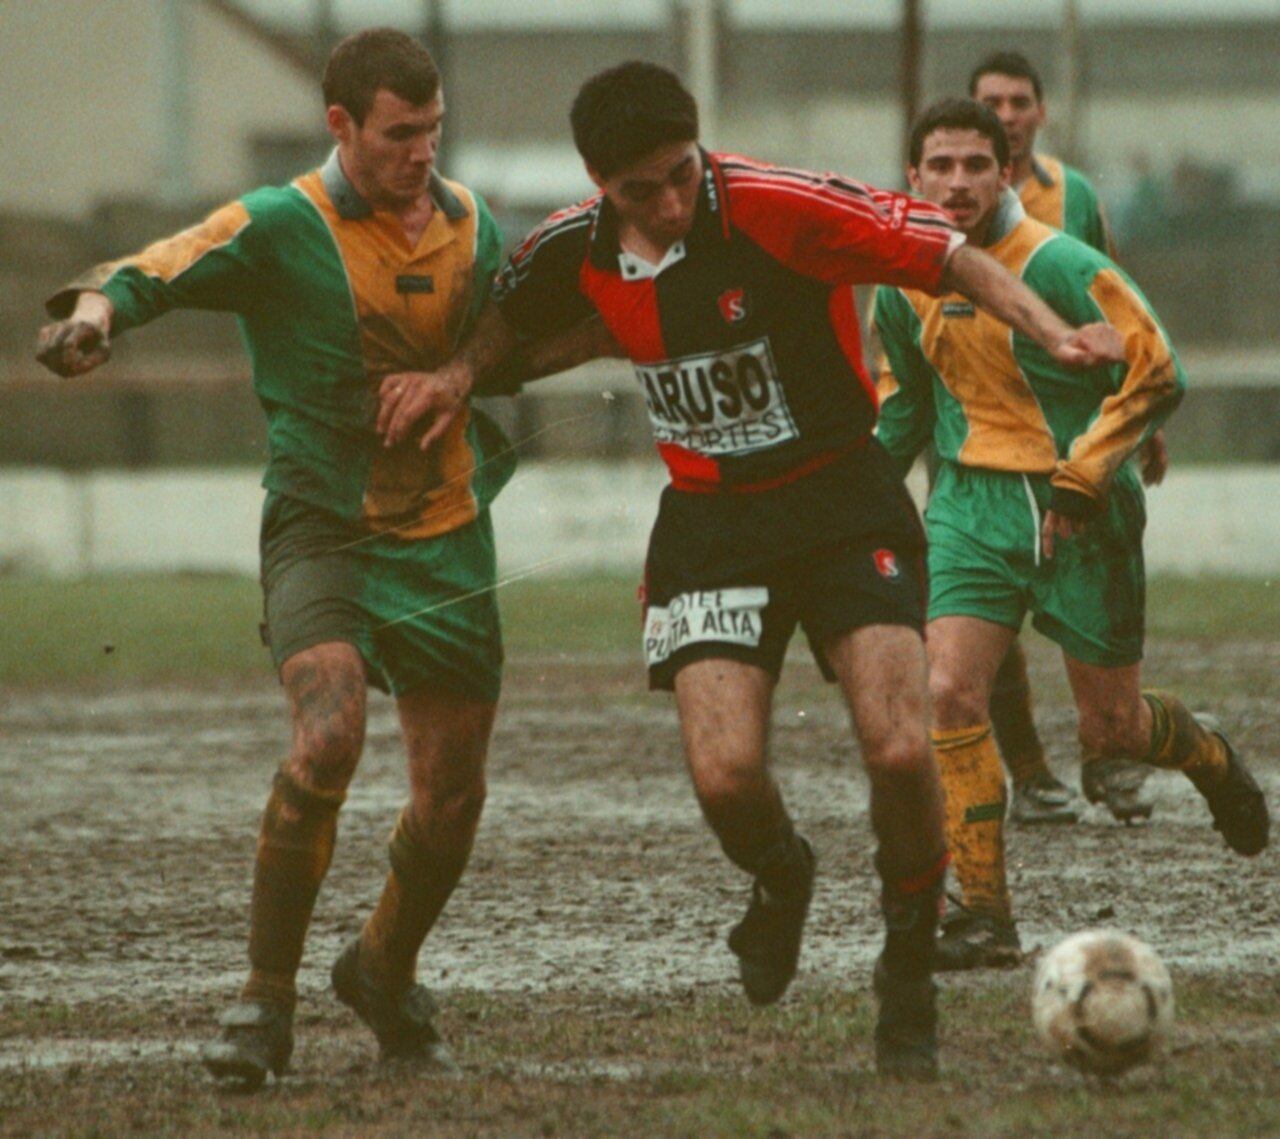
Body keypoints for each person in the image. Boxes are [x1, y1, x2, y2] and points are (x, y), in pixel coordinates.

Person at [381, 61, 1127, 1079]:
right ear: (600, 184)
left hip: (836, 501)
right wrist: (457, 374)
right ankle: (781, 877)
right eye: (642, 189)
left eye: (681, 173)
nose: (670, 202)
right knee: (726, 775)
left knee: (900, 750)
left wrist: (1053, 331)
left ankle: (905, 965)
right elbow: (510, 316)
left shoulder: (775, 204)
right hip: (707, 525)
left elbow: (949, 254)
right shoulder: (573, 242)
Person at [34, 28, 604, 1091]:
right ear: (339, 124)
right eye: (398, 134)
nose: (419, 153)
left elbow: (529, 325)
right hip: (320, 526)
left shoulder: (474, 224)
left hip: (444, 534)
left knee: (450, 798)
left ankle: (382, 971)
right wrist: (97, 314)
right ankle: (263, 995)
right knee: (328, 730)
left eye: (431, 132)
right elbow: (152, 267)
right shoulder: (277, 224)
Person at [873, 98, 1269, 971]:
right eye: (939, 165)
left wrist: (1087, 472)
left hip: (1078, 513)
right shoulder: (901, 284)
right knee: (948, 693)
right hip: (971, 508)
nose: (959, 181)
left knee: (1114, 730)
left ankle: (1205, 752)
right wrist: (845, 498)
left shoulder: (1061, 263)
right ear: (913, 177)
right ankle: (983, 912)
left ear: (1008, 171)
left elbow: (1159, 366)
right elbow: (901, 408)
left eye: (978, 164)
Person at [969, 49, 1170, 825]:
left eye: (1021, 100)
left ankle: (1110, 753)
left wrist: (1138, 415)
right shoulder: (939, 198)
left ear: (1041, 112)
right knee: (988, 602)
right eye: (994, 100)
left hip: (1074, 429)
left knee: (1094, 577)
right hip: (978, 429)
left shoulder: (1072, 195)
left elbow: (1121, 301)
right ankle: (1030, 772)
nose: (1010, 112)